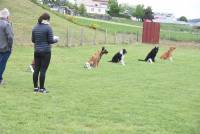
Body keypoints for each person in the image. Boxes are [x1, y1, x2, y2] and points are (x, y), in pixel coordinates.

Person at [32, 13, 59, 93]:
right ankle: (42, 88)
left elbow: (33, 40)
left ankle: (35, 88)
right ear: (47, 20)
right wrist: (56, 40)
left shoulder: (35, 27)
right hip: (46, 52)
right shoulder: (48, 28)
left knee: (36, 69)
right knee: (43, 70)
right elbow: (50, 40)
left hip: (37, 51)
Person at [0, 8, 14, 85]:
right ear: (7, 16)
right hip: (5, 48)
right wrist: (10, 46)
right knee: (2, 64)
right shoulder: (7, 24)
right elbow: (10, 37)